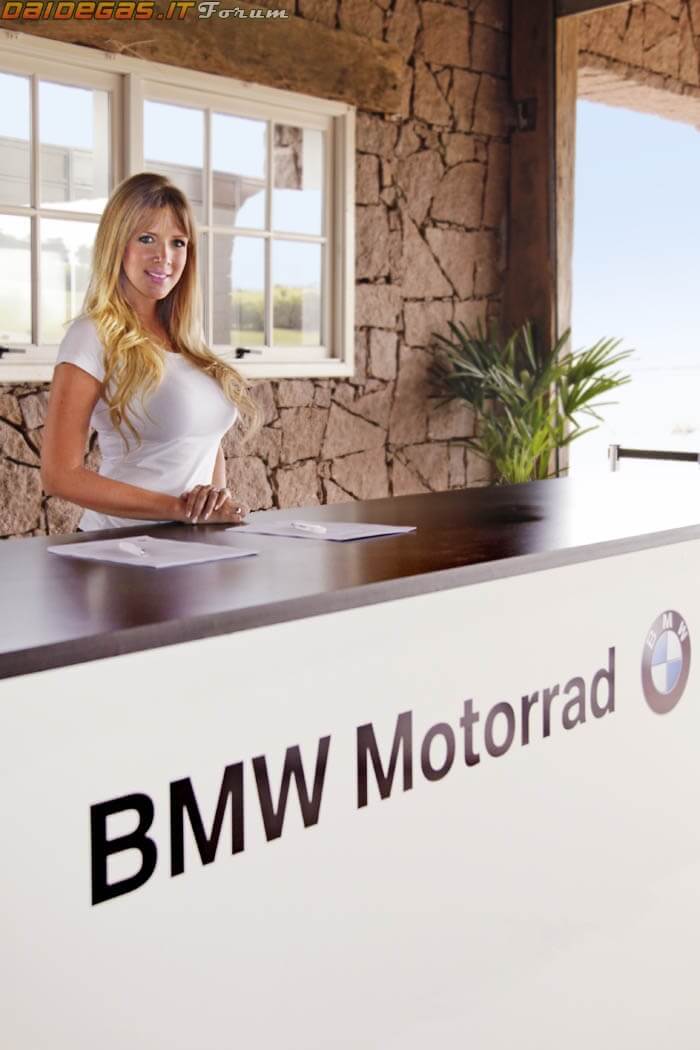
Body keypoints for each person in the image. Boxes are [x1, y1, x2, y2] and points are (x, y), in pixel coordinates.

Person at [41, 172, 258, 532]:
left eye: (178, 242)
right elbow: (59, 475)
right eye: (147, 239)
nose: (164, 257)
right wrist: (178, 508)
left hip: (190, 544)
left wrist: (211, 507)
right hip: (117, 546)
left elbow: (206, 442)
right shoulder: (91, 336)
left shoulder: (189, 337)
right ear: (117, 244)